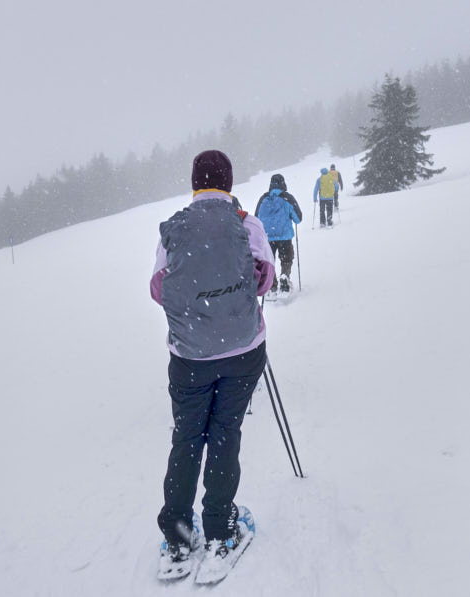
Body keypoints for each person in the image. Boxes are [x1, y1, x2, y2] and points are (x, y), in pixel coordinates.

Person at [149, 149, 275, 581]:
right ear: (229, 183)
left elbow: (157, 288)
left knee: (187, 439)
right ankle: (221, 533)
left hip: (189, 358)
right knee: (224, 435)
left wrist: (199, 303)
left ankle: (180, 541)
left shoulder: (176, 229)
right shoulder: (246, 223)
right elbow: (264, 279)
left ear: (195, 183)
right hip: (242, 352)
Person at [255, 173, 302, 294]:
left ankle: (272, 284)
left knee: (270, 261)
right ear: (283, 183)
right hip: (285, 236)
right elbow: (298, 218)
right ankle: (285, 276)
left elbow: (256, 218)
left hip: (268, 238)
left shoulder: (263, 198)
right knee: (287, 258)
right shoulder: (287, 198)